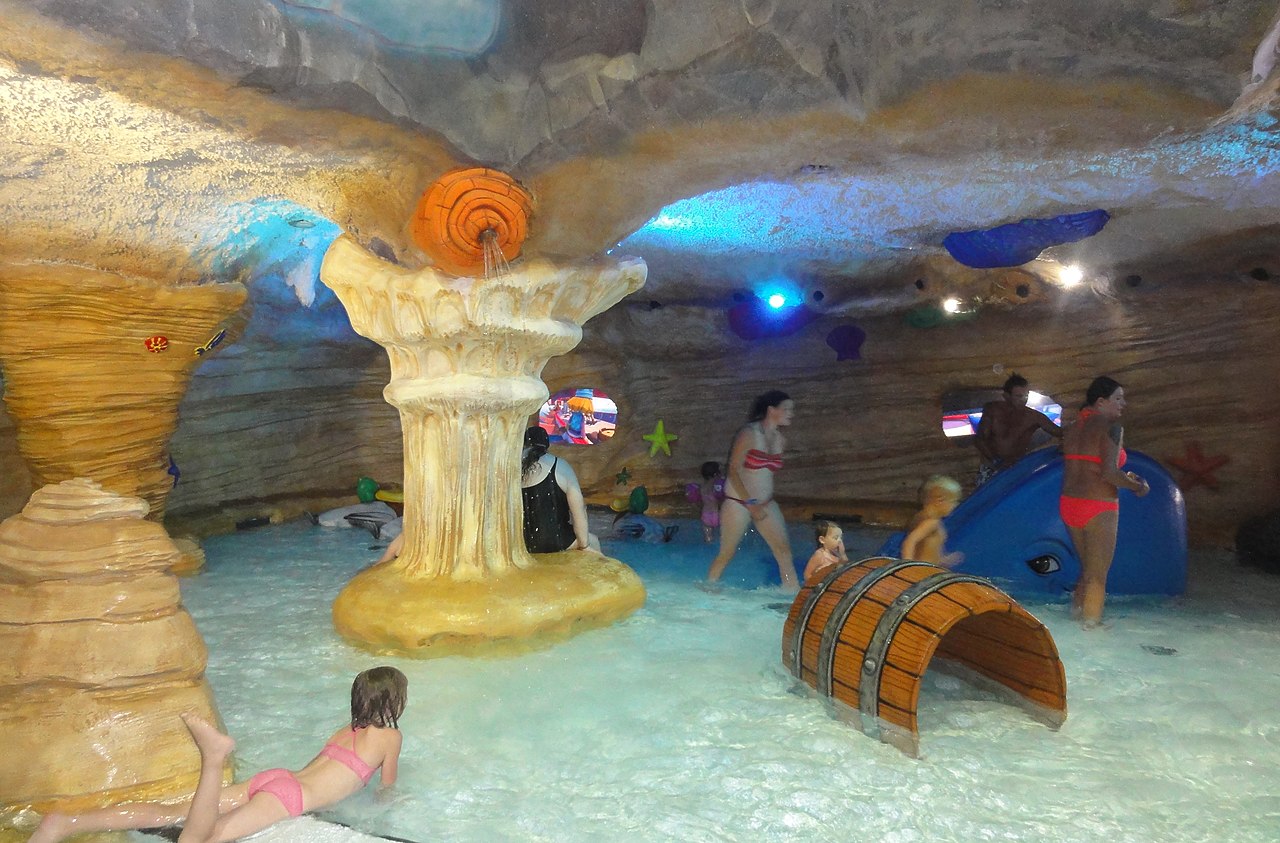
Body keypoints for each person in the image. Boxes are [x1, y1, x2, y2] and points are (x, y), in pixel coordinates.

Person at [30, 666, 408, 843]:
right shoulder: (390, 736)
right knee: (199, 841)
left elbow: (316, 770)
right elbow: (385, 789)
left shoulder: (346, 730)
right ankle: (212, 756)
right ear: (394, 701)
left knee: (171, 814)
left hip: (279, 779)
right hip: (289, 797)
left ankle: (65, 823)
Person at [1060, 376, 1149, 628]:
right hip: (1098, 505)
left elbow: (1084, 464)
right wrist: (1138, 486)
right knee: (1098, 576)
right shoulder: (1111, 427)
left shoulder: (1071, 428)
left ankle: (1075, 616)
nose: (1124, 404)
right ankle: (1091, 627)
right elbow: (1109, 473)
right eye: (1118, 398)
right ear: (1101, 401)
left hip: (1069, 503)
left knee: (1087, 569)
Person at [706, 390, 800, 590]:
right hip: (739, 502)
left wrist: (760, 503)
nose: (791, 413)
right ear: (771, 410)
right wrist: (750, 503)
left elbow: (766, 475)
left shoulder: (780, 440)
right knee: (727, 552)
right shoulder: (749, 434)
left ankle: (791, 593)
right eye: (786, 409)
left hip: (765, 503)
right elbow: (732, 470)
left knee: (784, 551)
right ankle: (708, 588)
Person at [521, 425, 601, 554]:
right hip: (556, 540)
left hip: (523, 542)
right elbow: (578, 511)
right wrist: (584, 545)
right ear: (547, 444)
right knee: (594, 540)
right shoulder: (559, 465)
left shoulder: (514, 467)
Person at [974, 373, 1063, 484]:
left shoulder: (1034, 417)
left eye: (1026, 396)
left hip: (1015, 468)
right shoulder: (993, 410)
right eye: (1018, 396)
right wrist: (996, 462)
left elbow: (1059, 432)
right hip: (991, 467)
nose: (1023, 400)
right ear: (1006, 396)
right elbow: (979, 439)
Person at [901, 475, 964, 568]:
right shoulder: (931, 522)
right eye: (953, 501)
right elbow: (910, 541)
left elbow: (927, 550)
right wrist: (907, 566)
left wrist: (945, 560)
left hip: (928, 568)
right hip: (924, 571)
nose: (955, 506)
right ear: (940, 501)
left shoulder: (923, 517)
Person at [696, 461, 725, 543]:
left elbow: (699, 501)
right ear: (716, 474)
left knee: (708, 538)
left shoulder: (702, 486)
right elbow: (721, 498)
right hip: (718, 514)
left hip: (706, 515)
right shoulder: (717, 486)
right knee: (724, 536)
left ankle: (708, 542)